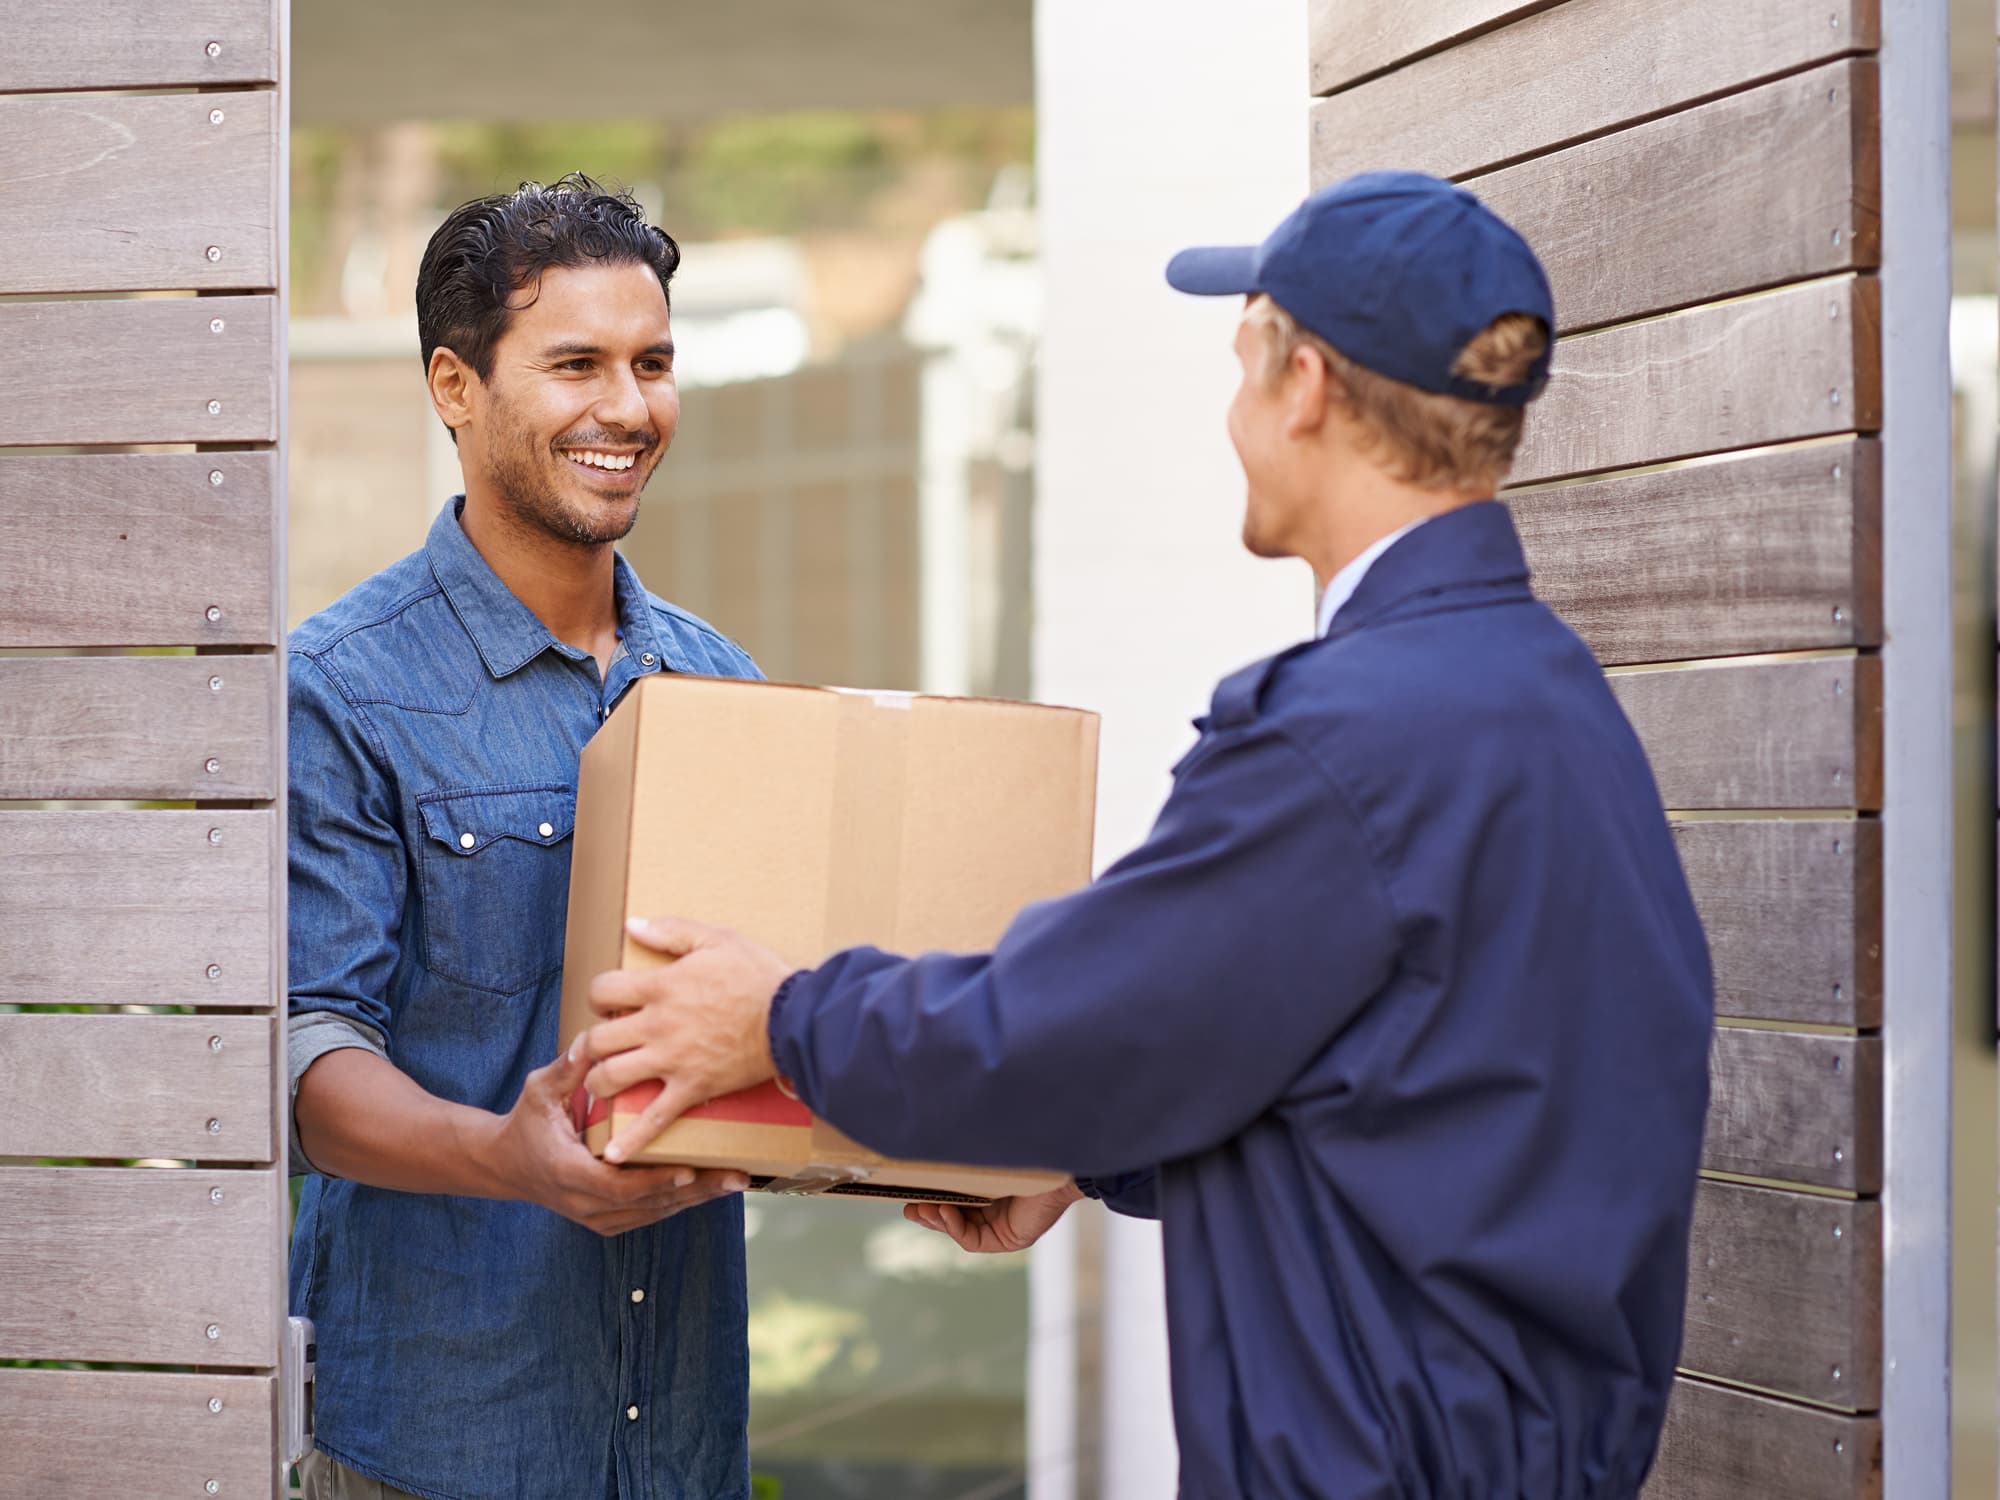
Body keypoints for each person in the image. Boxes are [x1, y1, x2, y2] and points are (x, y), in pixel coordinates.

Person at [577, 171, 1715, 1498]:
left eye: (1244, 365)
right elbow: (1402, 1097)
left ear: (1306, 388)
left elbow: (1074, 1022)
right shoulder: (1549, 703)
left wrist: (778, 1019)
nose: (1234, 416)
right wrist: (1083, 1151)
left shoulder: (1346, 739)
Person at [287, 175, 758, 1499]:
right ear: (454, 386)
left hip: (679, 1441)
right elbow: (310, 1063)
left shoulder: (723, 690)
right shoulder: (340, 688)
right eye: (575, 364)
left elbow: (768, 1014)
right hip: (437, 1443)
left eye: (652, 362)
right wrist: (510, 1156)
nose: (628, 407)